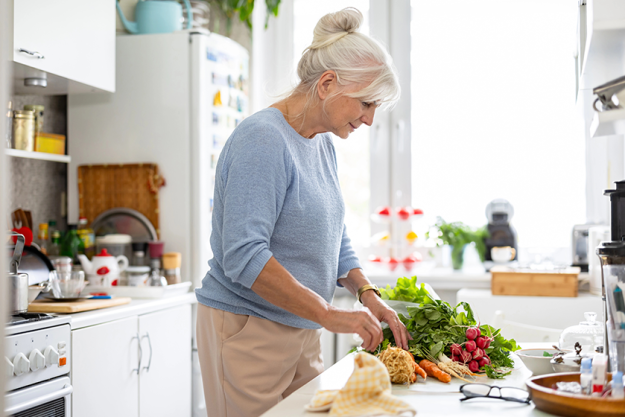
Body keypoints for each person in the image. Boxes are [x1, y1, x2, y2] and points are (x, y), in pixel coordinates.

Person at [195, 7, 409, 417]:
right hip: (248, 328)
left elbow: (333, 234)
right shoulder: (263, 139)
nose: (369, 119)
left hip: (302, 326)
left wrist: (367, 293)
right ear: (327, 84)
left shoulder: (321, 142)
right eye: (366, 103)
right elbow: (243, 255)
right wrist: (329, 313)